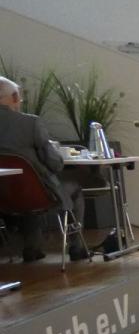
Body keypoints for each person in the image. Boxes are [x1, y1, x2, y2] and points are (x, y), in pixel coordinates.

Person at [0, 76, 88, 262]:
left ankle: (32, 248)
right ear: (14, 97)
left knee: (24, 187)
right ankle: (77, 247)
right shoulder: (30, 123)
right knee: (72, 189)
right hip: (38, 194)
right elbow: (54, 164)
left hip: (4, 197)